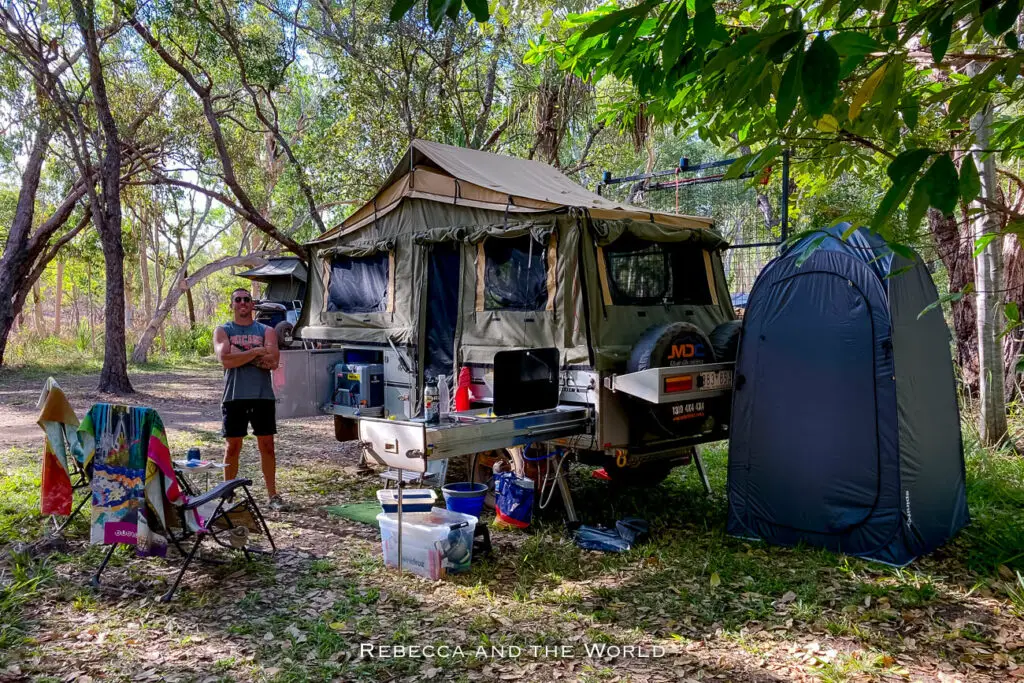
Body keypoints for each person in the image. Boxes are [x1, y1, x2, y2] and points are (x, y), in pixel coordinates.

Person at [213, 287, 286, 510]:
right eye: (238, 299)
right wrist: (256, 351)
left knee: (267, 446)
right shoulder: (223, 330)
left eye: (247, 299)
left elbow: (273, 362)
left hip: (262, 396)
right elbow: (225, 360)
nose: (243, 302)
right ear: (232, 304)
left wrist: (240, 353)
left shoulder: (267, 330)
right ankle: (228, 495)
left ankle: (273, 495)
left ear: (252, 304)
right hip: (234, 396)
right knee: (232, 446)